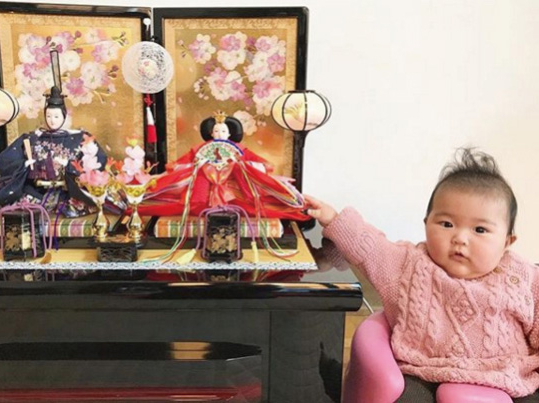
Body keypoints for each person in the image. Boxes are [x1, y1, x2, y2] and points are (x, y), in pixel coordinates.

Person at [306, 148, 539, 401]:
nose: (460, 238)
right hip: (424, 371)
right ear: (426, 223)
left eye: (480, 230)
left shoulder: (523, 278)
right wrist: (333, 219)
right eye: (446, 224)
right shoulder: (410, 265)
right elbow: (370, 247)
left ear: (507, 241)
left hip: (506, 378)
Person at [0, 85, 106, 219]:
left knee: (83, 203)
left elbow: (96, 163)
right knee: (11, 202)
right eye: (49, 116)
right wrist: (25, 164)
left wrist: (69, 166)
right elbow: (7, 161)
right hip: (36, 191)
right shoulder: (31, 138)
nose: (52, 120)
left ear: (64, 116)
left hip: (67, 192)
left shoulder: (79, 138)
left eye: (56, 116)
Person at [136, 111, 309, 221]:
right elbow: (180, 164)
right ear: (211, 133)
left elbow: (262, 164)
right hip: (203, 184)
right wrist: (196, 165)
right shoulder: (200, 149)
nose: (220, 134)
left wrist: (240, 164)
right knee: (193, 185)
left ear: (230, 133)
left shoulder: (240, 149)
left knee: (245, 181)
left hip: (234, 186)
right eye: (216, 131)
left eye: (223, 131)